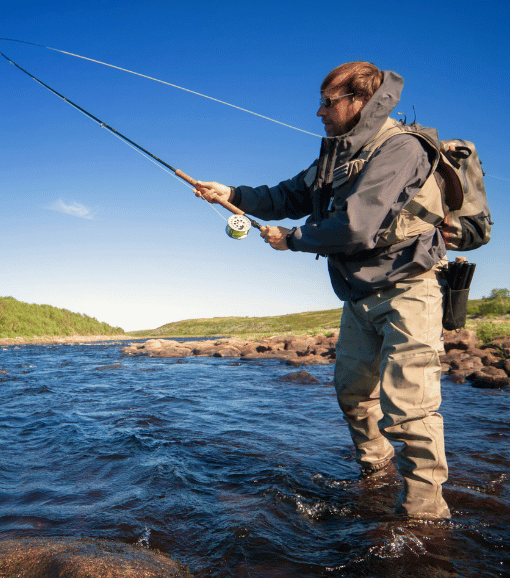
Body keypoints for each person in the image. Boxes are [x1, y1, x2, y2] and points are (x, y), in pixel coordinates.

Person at [192, 61, 451, 519]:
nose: (318, 112)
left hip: (408, 289)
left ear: (361, 101)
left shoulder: (401, 149)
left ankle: (425, 517)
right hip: (358, 296)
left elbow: (355, 227)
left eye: (327, 102)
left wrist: (290, 240)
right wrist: (227, 191)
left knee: (409, 410)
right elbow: (287, 195)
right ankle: (376, 474)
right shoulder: (337, 153)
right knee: (353, 394)